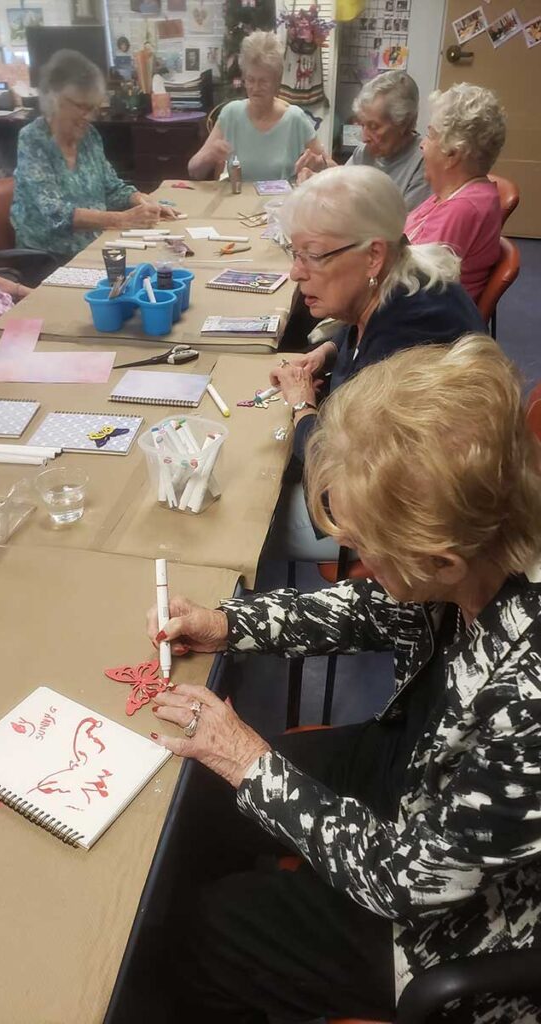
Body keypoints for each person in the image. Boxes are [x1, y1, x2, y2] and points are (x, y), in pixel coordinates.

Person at [147, 335, 541, 1024]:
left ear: (441, 560)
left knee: (205, 930)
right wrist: (227, 624)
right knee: (196, 800)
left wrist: (250, 760)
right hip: (416, 771)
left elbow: (407, 880)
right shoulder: (486, 542)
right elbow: (375, 606)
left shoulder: (530, 696)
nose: (354, 560)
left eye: (365, 549)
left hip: (450, 921)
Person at [266, 164, 486, 561]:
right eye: (295, 254)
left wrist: (302, 406)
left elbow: (338, 482)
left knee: (256, 509)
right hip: (390, 483)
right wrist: (328, 351)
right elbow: (363, 328)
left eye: (312, 256)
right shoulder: (403, 280)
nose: (296, 272)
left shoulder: (410, 338)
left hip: (403, 518)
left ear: (372, 256)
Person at [11, 50, 178, 263]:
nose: (88, 116)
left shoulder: (89, 136)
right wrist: (123, 219)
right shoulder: (33, 139)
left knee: (160, 265)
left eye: (92, 108)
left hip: (95, 244)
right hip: (49, 256)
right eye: (81, 107)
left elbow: (111, 188)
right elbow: (55, 213)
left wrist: (142, 201)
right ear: (53, 98)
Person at [405, 83, 506, 301]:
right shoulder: (449, 195)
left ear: (453, 154)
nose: (422, 145)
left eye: (430, 135)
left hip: (423, 322)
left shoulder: (462, 209)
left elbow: (416, 284)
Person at [188, 31, 323, 181]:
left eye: (263, 81)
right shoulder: (231, 113)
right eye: (250, 80)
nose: (255, 88)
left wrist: (318, 163)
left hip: (281, 202)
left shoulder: (295, 119)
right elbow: (194, 171)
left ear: (277, 82)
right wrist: (209, 155)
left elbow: (332, 169)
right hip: (238, 202)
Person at [295, 71, 430, 211]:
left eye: (374, 127)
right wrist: (319, 174)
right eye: (362, 125)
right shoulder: (366, 152)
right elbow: (345, 180)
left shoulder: (422, 164)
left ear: (404, 123)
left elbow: (403, 227)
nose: (364, 138)